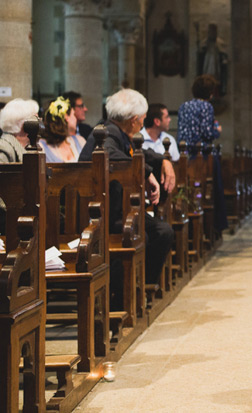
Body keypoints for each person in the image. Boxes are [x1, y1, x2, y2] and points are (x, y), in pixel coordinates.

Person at [79, 88, 175, 307]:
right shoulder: (105, 135)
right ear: (133, 121)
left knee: (161, 231)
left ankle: (140, 289)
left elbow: (137, 152)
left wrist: (162, 161)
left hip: (113, 210)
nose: (143, 124)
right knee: (146, 235)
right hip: (98, 216)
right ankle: (123, 297)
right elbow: (114, 156)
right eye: (142, 120)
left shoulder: (116, 132)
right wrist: (148, 171)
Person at [178, 74, 222, 148]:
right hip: (199, 150)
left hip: (183, 148)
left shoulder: (184, 106)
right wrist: (217, 131)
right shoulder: (206, 106)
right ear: (210, 93)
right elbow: (207, 134)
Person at [39, 96, 86, 162]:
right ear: (66, 117)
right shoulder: (42, 147)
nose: (75, 119)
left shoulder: (80, 141)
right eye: (74, 115)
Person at [0, 98, 39, 163]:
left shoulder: (29, 146)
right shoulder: (4, 148)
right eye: (36, 119)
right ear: (25, 124)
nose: (39, 124)